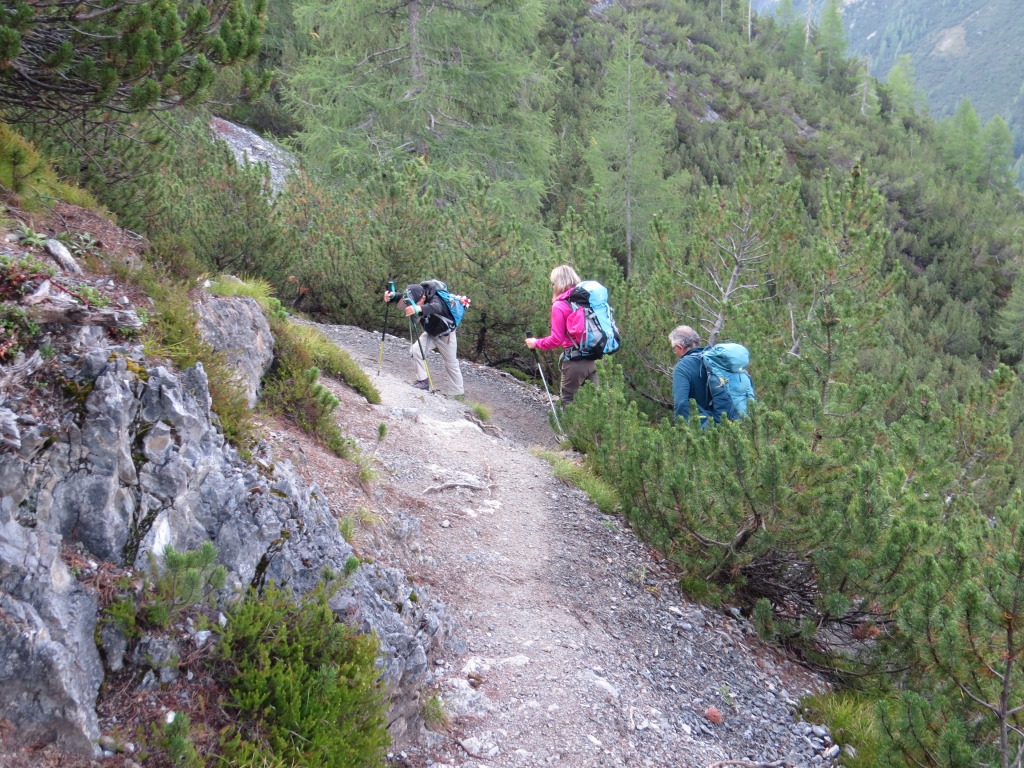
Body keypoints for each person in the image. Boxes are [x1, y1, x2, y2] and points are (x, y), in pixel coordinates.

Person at [525, 265, 597, 405]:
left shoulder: (560, 305)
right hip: (594, 358)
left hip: (575, 362)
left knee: (567, 401)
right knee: (594, 404)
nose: (552, 286)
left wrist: (536, 343)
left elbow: (556, 339)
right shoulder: (586, 300)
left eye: (553, 283)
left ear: (558, 283)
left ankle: (564, 421)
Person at [383, 282, 464, 396]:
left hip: (446, 335)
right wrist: (394, 296)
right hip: (431, 333)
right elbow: (405, 298)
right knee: (415, 351)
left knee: (451, 364)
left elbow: (437, 307)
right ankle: (423, 382)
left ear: (423, 298)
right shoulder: (416, 293)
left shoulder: (436, 299)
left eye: (415, 303)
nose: (411, 305)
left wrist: (418, 308)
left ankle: (457, 393)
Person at [669, 325, 737, 426]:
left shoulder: (682, 367)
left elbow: (681, 403)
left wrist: (681, 430)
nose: (674, 352)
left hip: (704, 429)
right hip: (732, 424)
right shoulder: (715, 359)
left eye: (674, 349)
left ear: (679, 347)